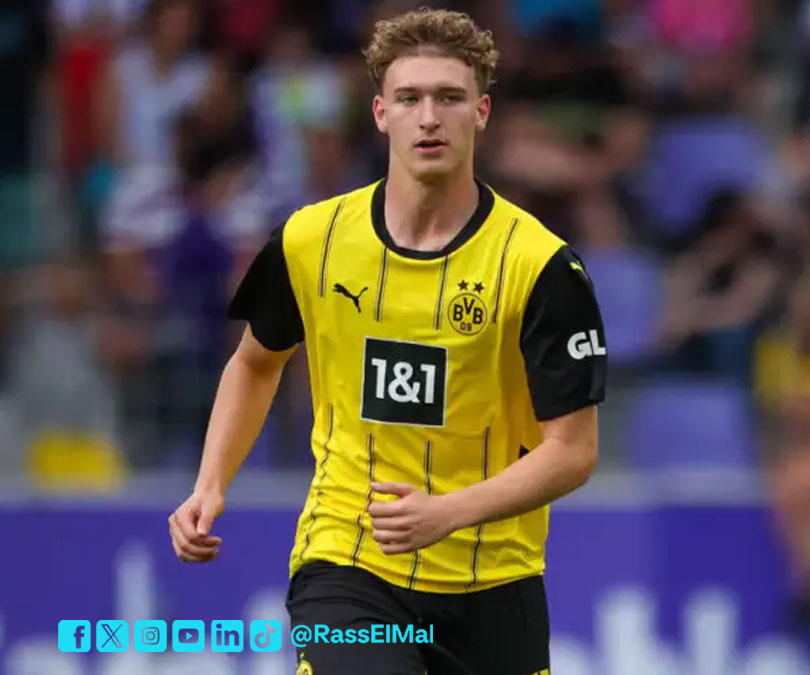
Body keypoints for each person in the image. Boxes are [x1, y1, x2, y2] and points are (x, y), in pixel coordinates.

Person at [166, 9, 607, 675]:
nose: (429, 117)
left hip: (494, 580)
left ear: (481, 111)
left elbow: (573, 450)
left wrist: (448, 512)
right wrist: (209, 484)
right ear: (380, 113)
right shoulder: (311, 240)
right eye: (409, 99)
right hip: (348, 563)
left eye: (449, 97)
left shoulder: (540, 266)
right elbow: (254, 363)